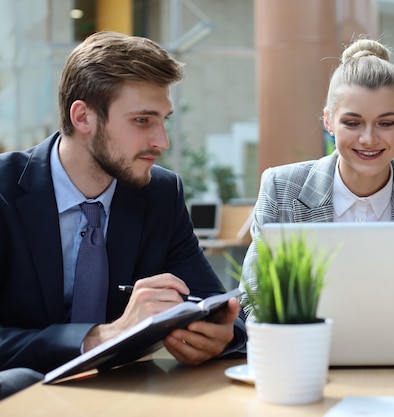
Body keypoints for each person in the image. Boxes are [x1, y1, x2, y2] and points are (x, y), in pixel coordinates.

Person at [0, 31, 246, 398]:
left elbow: (211, 301)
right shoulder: (5, 190)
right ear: (83, 117)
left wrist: (222, 334)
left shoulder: (161, 193)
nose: (162, 141)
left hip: (126, 396)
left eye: (164, 120)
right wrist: (99, 337)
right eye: (142, 121)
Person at [240, 38, 394, 317]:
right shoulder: (282, 188)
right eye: (352, 123)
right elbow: (255, 296)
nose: (368, 139)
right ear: (328, 121)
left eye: (386, 123)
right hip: (305, 354)